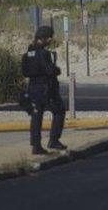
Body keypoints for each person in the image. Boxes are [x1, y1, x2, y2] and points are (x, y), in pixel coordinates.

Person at [22, 26, 66, 155]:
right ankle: (54, 140)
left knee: (36, 116)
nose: (50, 39)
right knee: (59, 111)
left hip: (32, 88)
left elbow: (25, 72)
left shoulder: (27, 54)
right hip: (46, 88)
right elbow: (49, 70)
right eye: (49, 37)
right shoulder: (44, 53)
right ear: (44, 38)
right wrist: (56, 70)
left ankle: (36, 145)